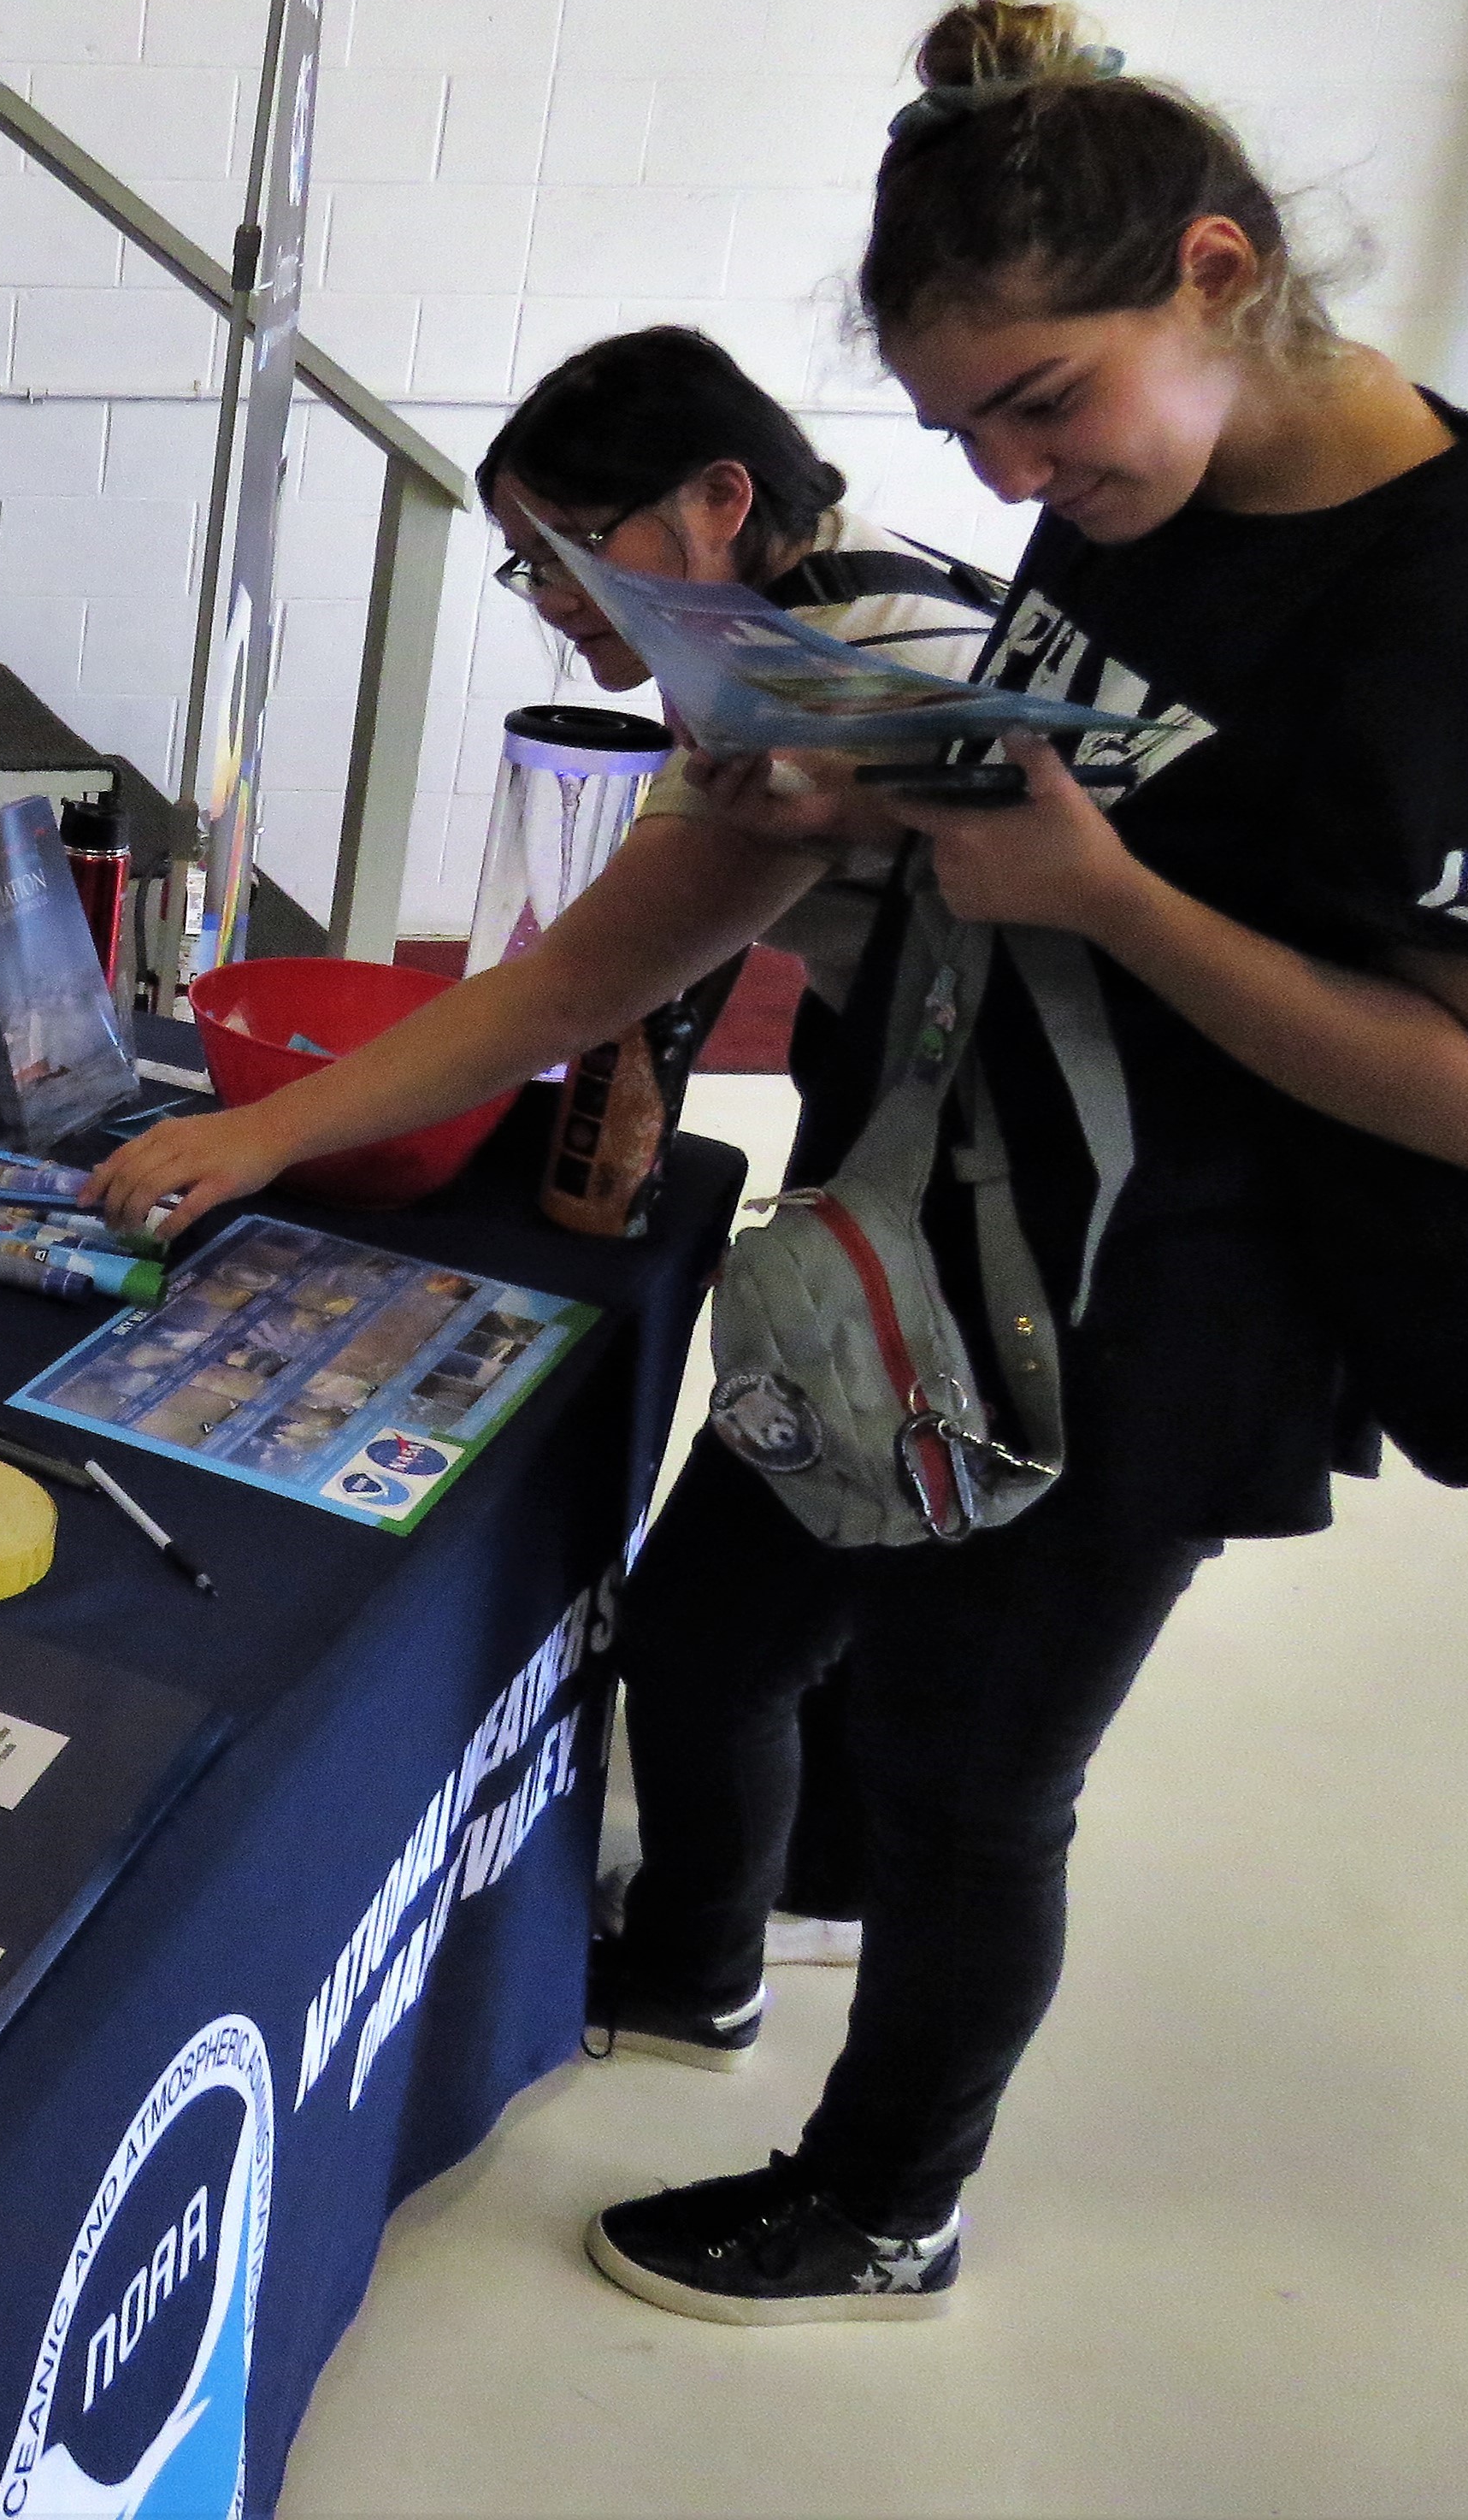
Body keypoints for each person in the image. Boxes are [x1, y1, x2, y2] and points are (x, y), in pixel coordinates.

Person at [91, 0, 1468, 2323]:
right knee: (726, 1619)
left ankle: (885, 2200)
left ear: (1222, 273)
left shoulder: (1450, 592)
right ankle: (711, 1959)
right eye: (967, 432)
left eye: (1044, 403)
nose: (1018, 479)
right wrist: (872, 805)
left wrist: (1109, 903)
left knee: (969, 1781)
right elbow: (1075, 794)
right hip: (934, 1241)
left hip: (1171, 1311)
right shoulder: (1148, 502)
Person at [486, 324, 1007, 1987]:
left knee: (714, 1621)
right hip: (946, 1140)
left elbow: (580, 982)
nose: (556, 594)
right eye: (526, 563)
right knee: (867, 1548)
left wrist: (261, 1130)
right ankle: (821, 1875)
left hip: (986, 1178)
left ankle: (691, 1967)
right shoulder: (867, 602)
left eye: (570, 549)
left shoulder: (810, 669)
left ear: (719, 500)